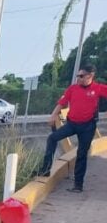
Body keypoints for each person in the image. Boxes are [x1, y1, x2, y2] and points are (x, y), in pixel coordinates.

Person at [38, 64, 107, 193]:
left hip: (88, 126)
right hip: (71, 124)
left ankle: (78, 185)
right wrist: (53, 115)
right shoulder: (72, 88)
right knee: (52, 138)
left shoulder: (98, 88)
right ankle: (46, 170)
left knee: (81, 154)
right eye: (78, 76)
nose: (78, 78)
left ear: (90, 76)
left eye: (81, 76)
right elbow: (61, 103)